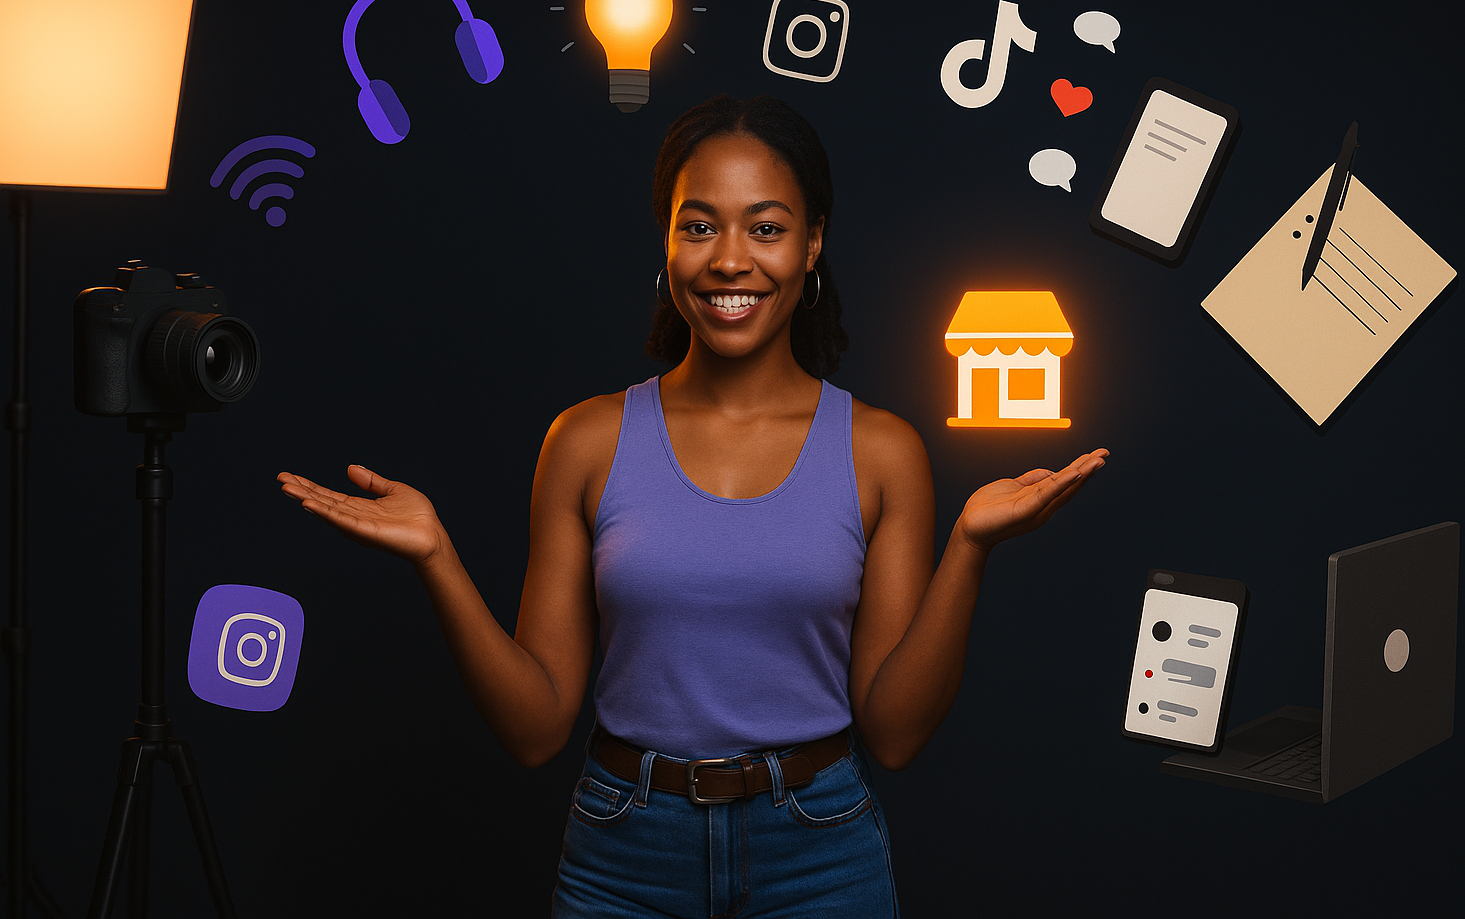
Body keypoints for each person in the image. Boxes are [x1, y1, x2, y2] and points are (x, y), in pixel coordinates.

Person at [278, 94, 1108, 917]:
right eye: (700, 225)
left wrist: (969, 548)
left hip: (819, 855)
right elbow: (534, 731)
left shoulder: (882, 452)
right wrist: (438, 560)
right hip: (623, 855)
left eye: (768, 228)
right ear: (668, 241)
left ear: (814, 242)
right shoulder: (585, 439)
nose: (730, 260)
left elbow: (893, 734)